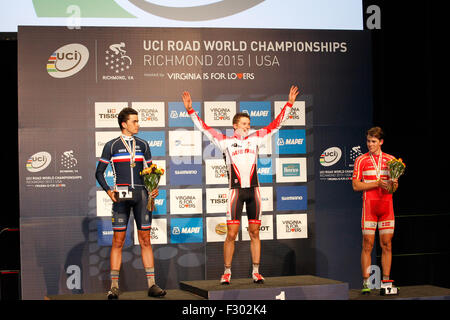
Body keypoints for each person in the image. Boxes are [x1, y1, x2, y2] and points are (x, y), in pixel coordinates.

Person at [182, 85, 300, 284]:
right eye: (244, 123)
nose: (248, 126)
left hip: (253, 191)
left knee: (254, 232)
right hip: (235, 192)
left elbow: (276, 125)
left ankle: (256, 271)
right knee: (231, 233)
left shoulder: (257, 138)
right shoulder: (224, 141)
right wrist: (190, 110)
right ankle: (226, 272)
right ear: (235, 125)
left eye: (249, 123)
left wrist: (289, 104)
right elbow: (204, 128)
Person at [95, 107, 166, 299]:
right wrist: (109, 191)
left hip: (143, 196)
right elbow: (99, 172)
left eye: (138, 121)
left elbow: (152, 171)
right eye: (134, 121)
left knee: (145, 240)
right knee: (117, 241)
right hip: (121, 197)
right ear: (124, 124)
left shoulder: (143, 144)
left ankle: (152, 284)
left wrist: (154, 187)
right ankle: (114, 286)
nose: (138, 124)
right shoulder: (111, 145)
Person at [352, 126, 399, 294]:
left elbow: (394, 188)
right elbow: (356, 185)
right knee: (367, 245)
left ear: (381, 142)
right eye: (368, 141)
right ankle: (366, 283)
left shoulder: (391, 160)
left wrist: (392, 184)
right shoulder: (361, 160)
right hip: (369, 207)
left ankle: (386, 281)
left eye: (373, 142)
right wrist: (377, 183)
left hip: (386, 206)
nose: (370, 145)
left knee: (386, 244)